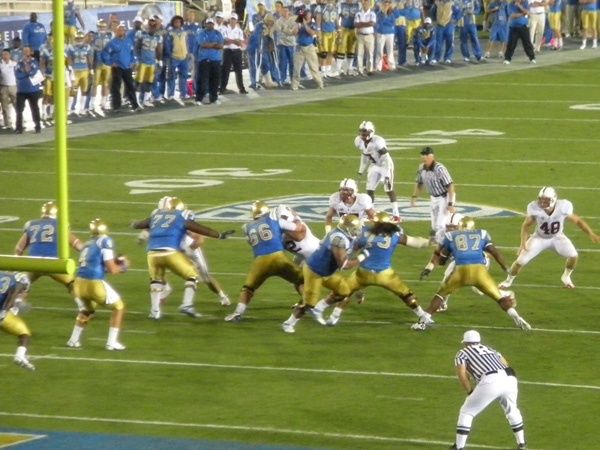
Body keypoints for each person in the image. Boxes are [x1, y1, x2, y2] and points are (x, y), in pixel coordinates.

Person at [411, 216, 532, 331]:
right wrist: (505, 268)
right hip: (479, 270)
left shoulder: (450, 236)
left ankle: (423, 322)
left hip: (461, 271)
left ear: (459, 226)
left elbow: (440, 258)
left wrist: (435, 263)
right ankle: (516, 316)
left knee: (441, 294)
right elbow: (494, 252)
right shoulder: (482, 234)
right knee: (499, 298)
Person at [131, 197, 235, 320]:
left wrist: (187, 250)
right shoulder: (171, 215)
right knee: (184, 274)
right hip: (173, 247)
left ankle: (222, 296)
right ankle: (177, 301)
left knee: (204, 276)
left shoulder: (181, 215)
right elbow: (149, 227)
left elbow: (199, 239)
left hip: (187, 246)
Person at [321, 211, 431, 326]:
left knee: (345, 292)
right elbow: (416, 242)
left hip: (363, 274)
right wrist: (430, 241)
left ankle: (334, 317)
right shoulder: (394, 235)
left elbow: (351, 251)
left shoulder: (363, 233)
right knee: (406, 294)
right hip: (385, 274)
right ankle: (422, 315)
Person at [500, 186, 600, 289]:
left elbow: (578, 221)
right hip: (539, 238)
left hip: (557, 237)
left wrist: (591, 233)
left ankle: (566, 276)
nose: (542, 202)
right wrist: (522, 243)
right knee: (520, 261)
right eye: (541, 199)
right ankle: (508, 281)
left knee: (574, 256)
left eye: (546, 200)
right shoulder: (534, 207)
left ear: (553, 199)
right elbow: (526, 225)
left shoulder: (563, 206)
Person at [225, 201, 304, 322]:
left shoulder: (246, 227)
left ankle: (237, 313)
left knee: (248, 288)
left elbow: (251, 242)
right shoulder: (273, 218)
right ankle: (307, 304)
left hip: (260, 261)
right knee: (302, 279)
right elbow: (297, 229)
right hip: (278, 258)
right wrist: (296, 218)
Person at [281, 214, 362, 333]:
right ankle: (289, 323)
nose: (357, 231)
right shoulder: (338, 239)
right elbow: (344, 265)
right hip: (315, 271)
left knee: (344, 291)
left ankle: (320, 308)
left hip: (326, 271)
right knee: (309, 304)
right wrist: (362, 257)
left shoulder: (340, 234)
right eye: (354, 228)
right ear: (347, 228)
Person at [450, 330, 528, 450]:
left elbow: (462, 374)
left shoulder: (462, 353)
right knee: (512, 410)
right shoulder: (490, 349)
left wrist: (470, 391)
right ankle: (522, 444)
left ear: (465, 343)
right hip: (510, 377)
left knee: (467, 411)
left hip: (490, 379)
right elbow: (505, 364)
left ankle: (459, 447)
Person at [66, 219, 129, 351]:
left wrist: (117, 262)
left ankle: (74, 339)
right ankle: (111, 342)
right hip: (94, 283)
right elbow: (111, 268)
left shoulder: (88, 244)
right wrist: (122, 267)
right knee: (119, 307)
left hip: (78, 283)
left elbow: (98, 264)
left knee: (87, 310)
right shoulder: (105, 241)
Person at [14, 201, 83, 294]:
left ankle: (14, 305)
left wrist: (17, 264)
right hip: (53, 264)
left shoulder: (32, 224)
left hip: (34, 264)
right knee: (72, 284)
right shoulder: (60, 225)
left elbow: (18, 249)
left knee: (21, 286)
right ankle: (83, 306)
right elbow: (76, 244)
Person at [355, 120, 401, 220]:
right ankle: (372, 213)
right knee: (369, 189)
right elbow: (364, 157)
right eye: (362, 132)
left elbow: (386, 158)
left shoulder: (377, 141)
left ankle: (396, 214)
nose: (363, 134)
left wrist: (387, 174)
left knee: (388, 189)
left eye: (365, 132)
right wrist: (360, 171)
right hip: (374, 165)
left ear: (371, 132)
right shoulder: (359, 141)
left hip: (385, 165)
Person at [411, 146, 456, 243]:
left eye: (426, 155)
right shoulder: (421, 168)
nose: (424, 157)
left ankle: (442, 246)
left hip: (445, 196)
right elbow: (419, 183)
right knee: (434, 225)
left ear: (432, 156)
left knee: (440, 224)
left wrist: (451, 203)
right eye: (423, 155)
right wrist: (414, 197)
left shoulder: (439, 168)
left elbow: (450, 186)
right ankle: (443, 238)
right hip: (433, 197)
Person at [0, 272, 35, 370]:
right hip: (2, 312)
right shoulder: (21, 281)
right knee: (24, 333)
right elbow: (13, 293)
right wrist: (5, 310)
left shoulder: (3, 276)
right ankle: (20, 355)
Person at [106, 24, 140, 112]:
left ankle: (135, 105)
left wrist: (132, 62)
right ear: (116, 31)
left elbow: (132, 53)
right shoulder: (112, 42)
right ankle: (116, 107)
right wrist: (111, 62)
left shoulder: (129, 41)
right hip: (117, 67)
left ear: (124, 31)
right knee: (116, 87)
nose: (121, 31)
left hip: (127, 67)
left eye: (122, 30)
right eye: (119, 30)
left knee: (130, 86)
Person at [291, 9, 324, 90]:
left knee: (313, 67)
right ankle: (294, 85)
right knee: (296, 68)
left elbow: (312, 33)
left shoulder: (313, 24)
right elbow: (294, 33)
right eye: (305, 14)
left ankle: (320, 83)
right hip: (299, 47)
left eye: (308, 14)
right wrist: (297, 24)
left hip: (309, 47)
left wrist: (305, 24)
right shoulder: (299, 23)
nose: (306, 16)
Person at [135, 16, 164, 107]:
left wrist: (159, 60)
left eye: (153, 24)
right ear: (147, 25)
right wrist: (137, 59)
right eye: (150, 24)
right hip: (142, 61)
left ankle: (145, 100)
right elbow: (137, 47)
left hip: (151, 62)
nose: (152, 26)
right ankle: (135, 100)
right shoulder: (141, 34)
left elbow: (159, 49)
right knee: (139, 81)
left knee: (149, 81)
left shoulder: (158, 36)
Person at [195, 18, 224, 105]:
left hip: (216, 60)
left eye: (211, 24)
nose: (210, 25)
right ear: (205, 24)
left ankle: (213, 98)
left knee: (215, 81)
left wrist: (210, 45)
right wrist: (214, 44)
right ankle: (199, 99)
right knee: (203, 80)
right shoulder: (201, 33)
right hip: (204, 60)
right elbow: (203, 44)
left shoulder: (217, 33)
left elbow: (221, 46)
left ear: (213, 24)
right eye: (208, 24)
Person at [14, 47, 43, 134]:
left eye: (27, 51)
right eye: (24, 50)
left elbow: (34, 72)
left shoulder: (34, 62)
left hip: (33, 90)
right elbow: (17, 75)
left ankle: (38, 126)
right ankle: (19, 128)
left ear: (31, 52)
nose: (25, 52)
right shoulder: (19, 63)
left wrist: (25, 73)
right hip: (21, 90)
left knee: (35, 108)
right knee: (19, 110)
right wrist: (27, 73)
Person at [220, 13, 248, 95]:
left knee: (239, 71)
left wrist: (232, 41)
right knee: (225, 71)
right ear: (229, 20)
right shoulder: (224, 29)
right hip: (227, 51)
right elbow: (224, 41)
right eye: (231, 19)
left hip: (237, 52)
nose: (232, 20)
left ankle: (241, 88)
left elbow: (241, 43)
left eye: (234, 19)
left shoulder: (239, 30)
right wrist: (235, 41)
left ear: (236, 21)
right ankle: (222, 89)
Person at [67, 31, 93, 116]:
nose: (79, 40)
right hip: (75, 71)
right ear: (75, 39)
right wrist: (70, 68)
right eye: (77, 38)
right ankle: (71, 108)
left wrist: (91, 69)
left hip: (85, 71)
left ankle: (82, 108)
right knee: (73, 91)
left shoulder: (87, 47)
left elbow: (89, 59)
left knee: (84, 90)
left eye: (80, 38)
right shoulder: (71, 47)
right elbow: (69, 59)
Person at [354, 0, 377, 75]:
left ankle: (369, 69)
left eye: (367, 4)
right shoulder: (359, 13)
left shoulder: (372, 13)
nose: (366, 5)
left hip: (369, 35)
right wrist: (367, 23)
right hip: (360, 35)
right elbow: (356, 24)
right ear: (362, 4)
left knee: (370, 53)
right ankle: (359, 70)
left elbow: (372, 23)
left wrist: (361, 23)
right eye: (365, 4)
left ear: (370, 5)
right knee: (359, 53)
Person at [0, 48, 17, 130]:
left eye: (6, 54)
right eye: (3, 54)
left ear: (10, 55)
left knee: (17, 105)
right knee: (4, 106)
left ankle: (19, 121)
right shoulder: (0, 65)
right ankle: (8, 124)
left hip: (13, 86)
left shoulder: (14, 64)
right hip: (3, 87)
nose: (5, 56)